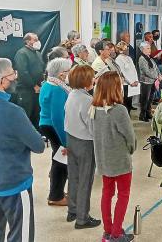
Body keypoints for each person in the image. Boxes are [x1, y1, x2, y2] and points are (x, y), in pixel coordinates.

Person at [0, 58, 45, 241]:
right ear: (2, 80)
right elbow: (38, 146)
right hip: (14, 181)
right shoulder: (13, 111)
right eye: (12, 73)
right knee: (21, 232)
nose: (15, 77)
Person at [90, 71, 136, 242]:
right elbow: (130, 137)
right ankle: (117, 233)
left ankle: (108, 231)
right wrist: (131, 149)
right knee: (123, 195)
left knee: (107, 193)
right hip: (120, 160)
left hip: (103, 159)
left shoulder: (94, 108)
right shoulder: (119, 110)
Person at [64, 65, 101, 229]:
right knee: (85, 179)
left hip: (71, 139)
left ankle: (72, 210)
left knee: (74, 176)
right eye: (92, 77)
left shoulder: (72, 94)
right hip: (85, 143)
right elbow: (92, 127)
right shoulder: (87, 100)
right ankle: (82, 218)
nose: (94, 79)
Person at [39, 58, 72, 206]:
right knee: (61, 163)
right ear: (60, 74)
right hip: (54, 127)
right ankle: (55, 196)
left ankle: (56, 192)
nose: (68, 74)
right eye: (67, 71)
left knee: (57, 160)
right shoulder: (57, 89)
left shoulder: (48, 83)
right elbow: (57, 117)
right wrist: (65, 141)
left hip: (47, 125)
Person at [14, 32, 45, 129]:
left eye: (38, 39)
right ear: (27, 41)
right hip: (26, 90)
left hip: (38, 89)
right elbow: (23, 72)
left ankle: (37, 134)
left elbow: (42, 69)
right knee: (26, 114)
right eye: (35, 40)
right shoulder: (21, 53)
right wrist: (34, 86)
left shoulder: (38, 54)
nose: (38, 42)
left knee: (37, 114)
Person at [138, 42, 161, 122]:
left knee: (150, 99)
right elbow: (146, 72)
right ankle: (142, 115)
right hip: (146, 82)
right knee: (145, 99)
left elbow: (156, 68)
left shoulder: (150, 58)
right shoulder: (142, 59)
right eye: (147, 48)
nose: (149, 50)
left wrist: (159, 74)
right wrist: (156, 76)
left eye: (149, 48)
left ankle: (148, 113)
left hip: (153, 82)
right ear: (142, 49)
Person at [115, 41, 139, 115]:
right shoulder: (118, 59)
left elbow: (134, 69)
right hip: (126, 84)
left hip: (133, 83)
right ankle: (124, 115)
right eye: (126, 49)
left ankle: (128, 114)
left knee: (130, 101)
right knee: (125, 101)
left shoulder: (129, 58)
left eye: (127, 48)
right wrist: (130, 82)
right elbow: (122, 72)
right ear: (121, 50)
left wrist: (136, 80)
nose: (128, 50)